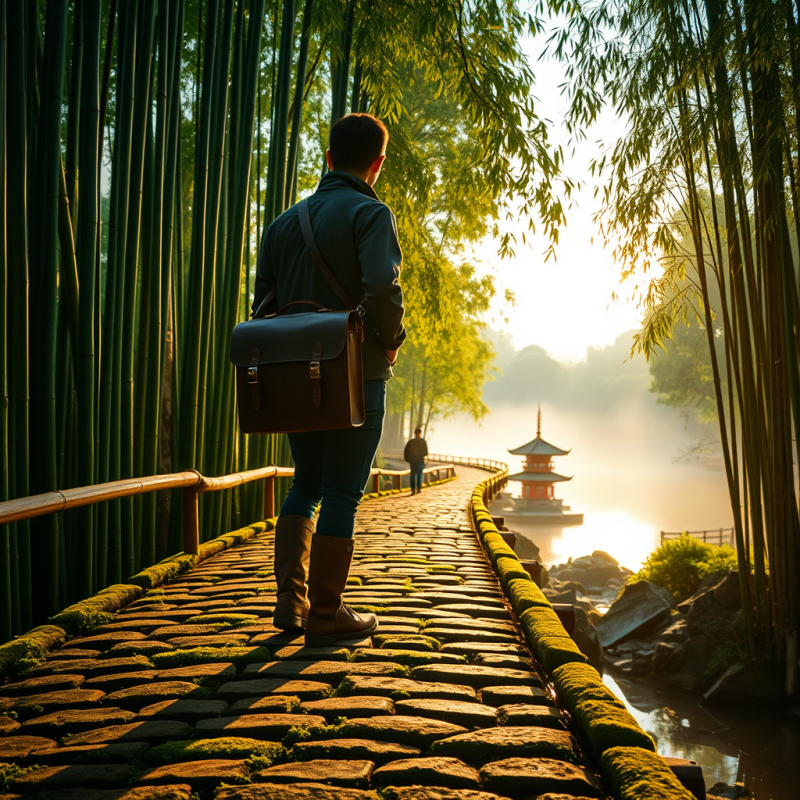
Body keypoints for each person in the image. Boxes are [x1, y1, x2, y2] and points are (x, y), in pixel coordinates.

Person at [252, 114, 405, 646]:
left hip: (296, 374)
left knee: (305, 483)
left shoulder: (282, 224)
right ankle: (326, 614)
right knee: (342, 490)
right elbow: (382, 291)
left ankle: (291, 606)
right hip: (356, 372)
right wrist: (390, 340)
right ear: (377, 164)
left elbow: (262, 305)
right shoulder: (370, 212)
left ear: (329, 157)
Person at [404, 427, 428, 495]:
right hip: (420, 460)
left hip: (413, 461)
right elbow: (426, 452)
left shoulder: (411, 442)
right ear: (420, 433)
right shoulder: (423, 442)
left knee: (413, 475)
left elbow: (406, 452)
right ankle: (418, 488)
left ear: (415, 433)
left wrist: (408, 459)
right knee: (419, 474)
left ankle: (413, 489)